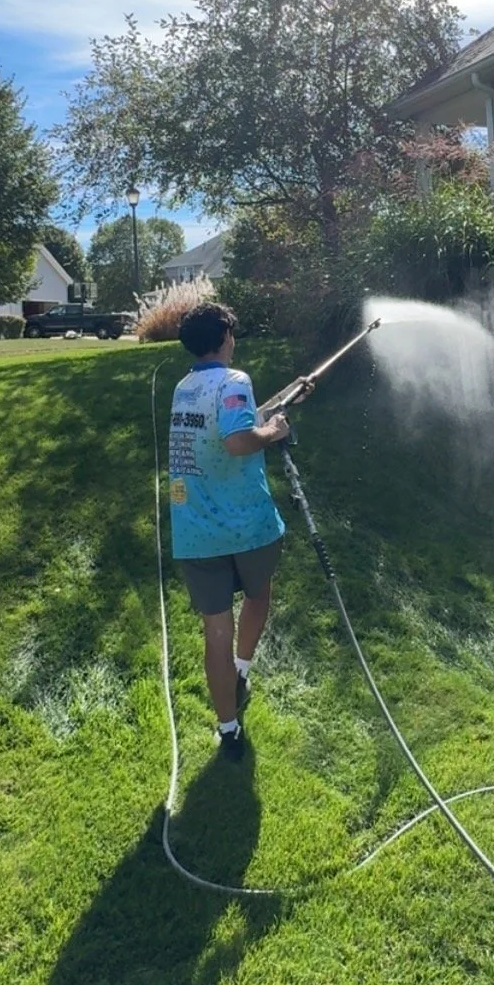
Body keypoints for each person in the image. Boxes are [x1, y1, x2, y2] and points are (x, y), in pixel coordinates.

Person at [167, 301, 304, 761]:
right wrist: (276, 432)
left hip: (194, 533)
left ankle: (228, 730)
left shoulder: (184, 388)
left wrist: (280, 403)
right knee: (259, 595)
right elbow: (237, 439)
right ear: (225, 336)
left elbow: (228, 424)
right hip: (246, 527)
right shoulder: (235, 380)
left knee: (215, 633)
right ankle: (242, 669)